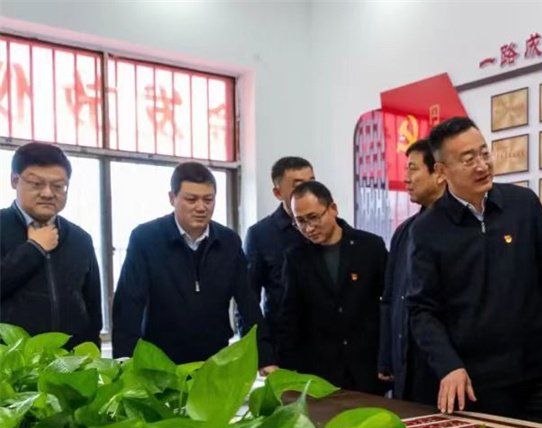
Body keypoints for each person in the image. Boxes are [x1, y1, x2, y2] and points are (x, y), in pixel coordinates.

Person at [408, 117, 542, 427]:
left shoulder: (523, 205)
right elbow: (422, 310)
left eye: (484, 153)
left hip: (538, 372)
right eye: (468, 159)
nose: (481, 165)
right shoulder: (427, 230)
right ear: (442, 171)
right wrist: (448, 365)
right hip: (477, 381)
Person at [112, 162, 275, 370]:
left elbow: (248, 303)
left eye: (208, 200)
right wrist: (124, 364)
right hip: (160, 363)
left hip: (214, 362)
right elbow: (128, 305)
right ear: (172, 198)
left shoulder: (228, 242)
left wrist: (264, 357)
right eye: (191, 199)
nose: (201, 207)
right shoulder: (146, 239)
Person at [277, 181, 388, 394]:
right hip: (319, 372)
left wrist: (388, 358)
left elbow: (390, 304)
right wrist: (287, 371)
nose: (309, 228)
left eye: (313, 217)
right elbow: (289, 316)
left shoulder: (370, 247)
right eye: (300, 221)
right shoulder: (296, 257)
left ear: (333, 209)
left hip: (367, 367)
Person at [1, 142, 102, 349]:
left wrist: (91, 353)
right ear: (14, 180)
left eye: (58, 186)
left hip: (69, 360)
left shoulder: (80, 239)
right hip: (11, 361)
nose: (48, 193)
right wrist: (33, 249)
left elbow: (92, 309)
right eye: (36, 183)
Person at [378, 139, 445, 403]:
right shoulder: (405, 231)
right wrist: (387, 356)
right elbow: (390, 299)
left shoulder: (459, 228)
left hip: (442, 362)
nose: (405, 178)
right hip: (405, 358)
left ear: (438, 173)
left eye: (413, 169)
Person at [242, 156, 314, 353]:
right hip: (282, 346)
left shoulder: (328, 227)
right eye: (298, 186)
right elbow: (248, 301)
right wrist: (258, 352)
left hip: (329, 345)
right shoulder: (260, 234)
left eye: (311, 182)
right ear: (278, 192)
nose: (307, 191)